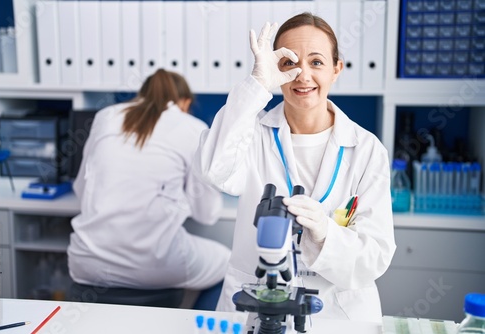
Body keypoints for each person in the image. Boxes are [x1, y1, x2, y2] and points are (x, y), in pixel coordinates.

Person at [194, 13, 396, 322]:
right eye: (289, 63)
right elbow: (214, 169)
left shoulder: (366, 151)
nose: (302, 75)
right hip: (257, 306)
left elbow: (375, 254)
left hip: (337, 312)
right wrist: (256, 85)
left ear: (336, 69)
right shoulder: (253, 133)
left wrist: (326, 232)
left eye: (316, 62)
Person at [67, 69, 231, 310]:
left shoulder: (105, 117)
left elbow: (81, 190)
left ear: (142, 94)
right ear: (184, 102)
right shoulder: (191, 126)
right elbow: (207, 214)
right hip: (152, 266)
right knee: (230, 264)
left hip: (87, 263)